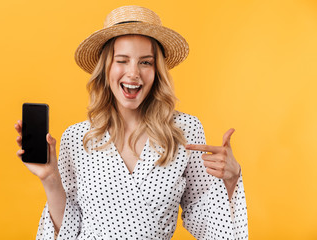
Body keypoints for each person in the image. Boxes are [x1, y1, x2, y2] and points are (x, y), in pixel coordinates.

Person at [14, 5, 248, 240]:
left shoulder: (185, 131)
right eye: (122, 60)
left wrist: (231, 178)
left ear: (157, 70)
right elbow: (69, 227)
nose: (133, 73)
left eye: (145, 62)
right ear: (106, 68)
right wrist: (51, 179)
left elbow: (205, 219)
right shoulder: (76, 137)